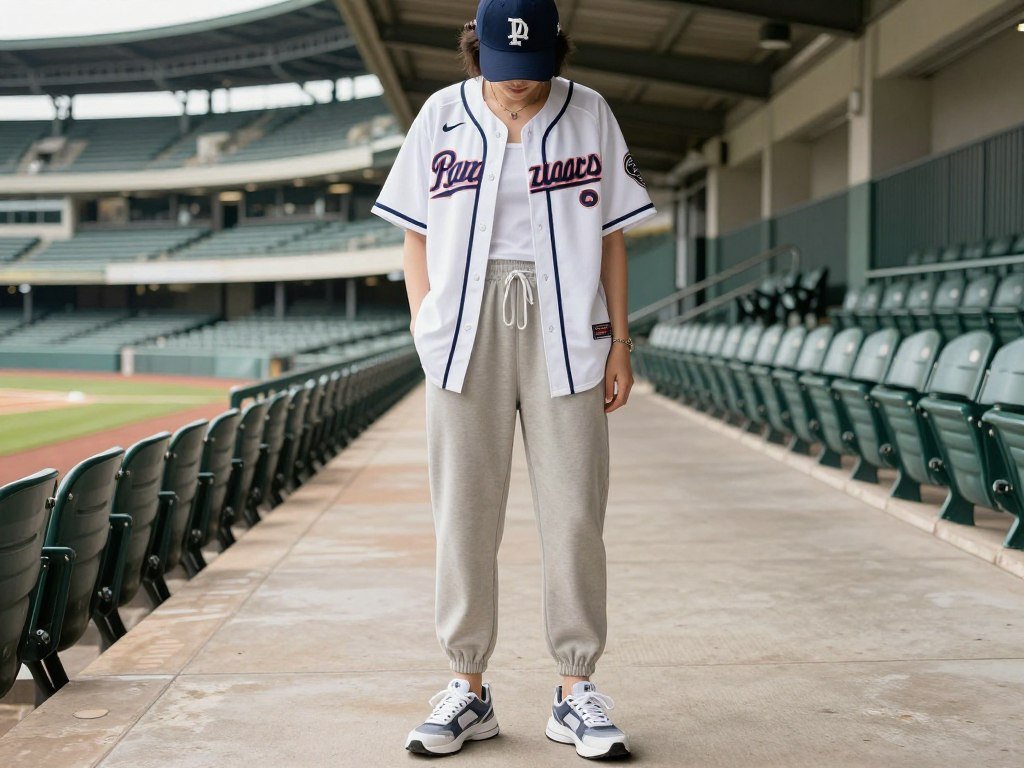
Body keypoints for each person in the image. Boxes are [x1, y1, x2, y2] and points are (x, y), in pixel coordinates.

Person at [371, 0, 656, 759]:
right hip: (464, 326)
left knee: (573, 512)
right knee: (464, 513)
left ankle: (575, 689)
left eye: (534, 69)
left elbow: (614, 238)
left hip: (568, 322)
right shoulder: (442, 113)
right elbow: (413, 236)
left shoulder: (590, 112)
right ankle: (467, 687)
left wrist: (622, 342)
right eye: (504, 69)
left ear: (556, 55)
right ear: (476, 52)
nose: (519, 83)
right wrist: (423, 326)